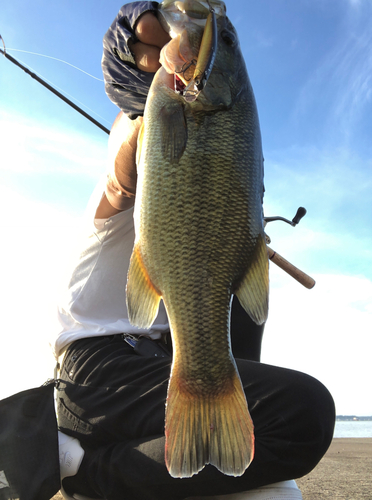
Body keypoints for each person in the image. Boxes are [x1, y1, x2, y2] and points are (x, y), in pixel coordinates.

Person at [53, 2, 336, 499]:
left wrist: (244, 242)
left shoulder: (186, 113)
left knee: (250, 327)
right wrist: (132, 38)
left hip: (157, 361)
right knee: (307, 411)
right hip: (94, 372)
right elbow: (124, 167)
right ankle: (80, 470)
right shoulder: (140, 123)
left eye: (223, 44)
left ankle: (121, 458)